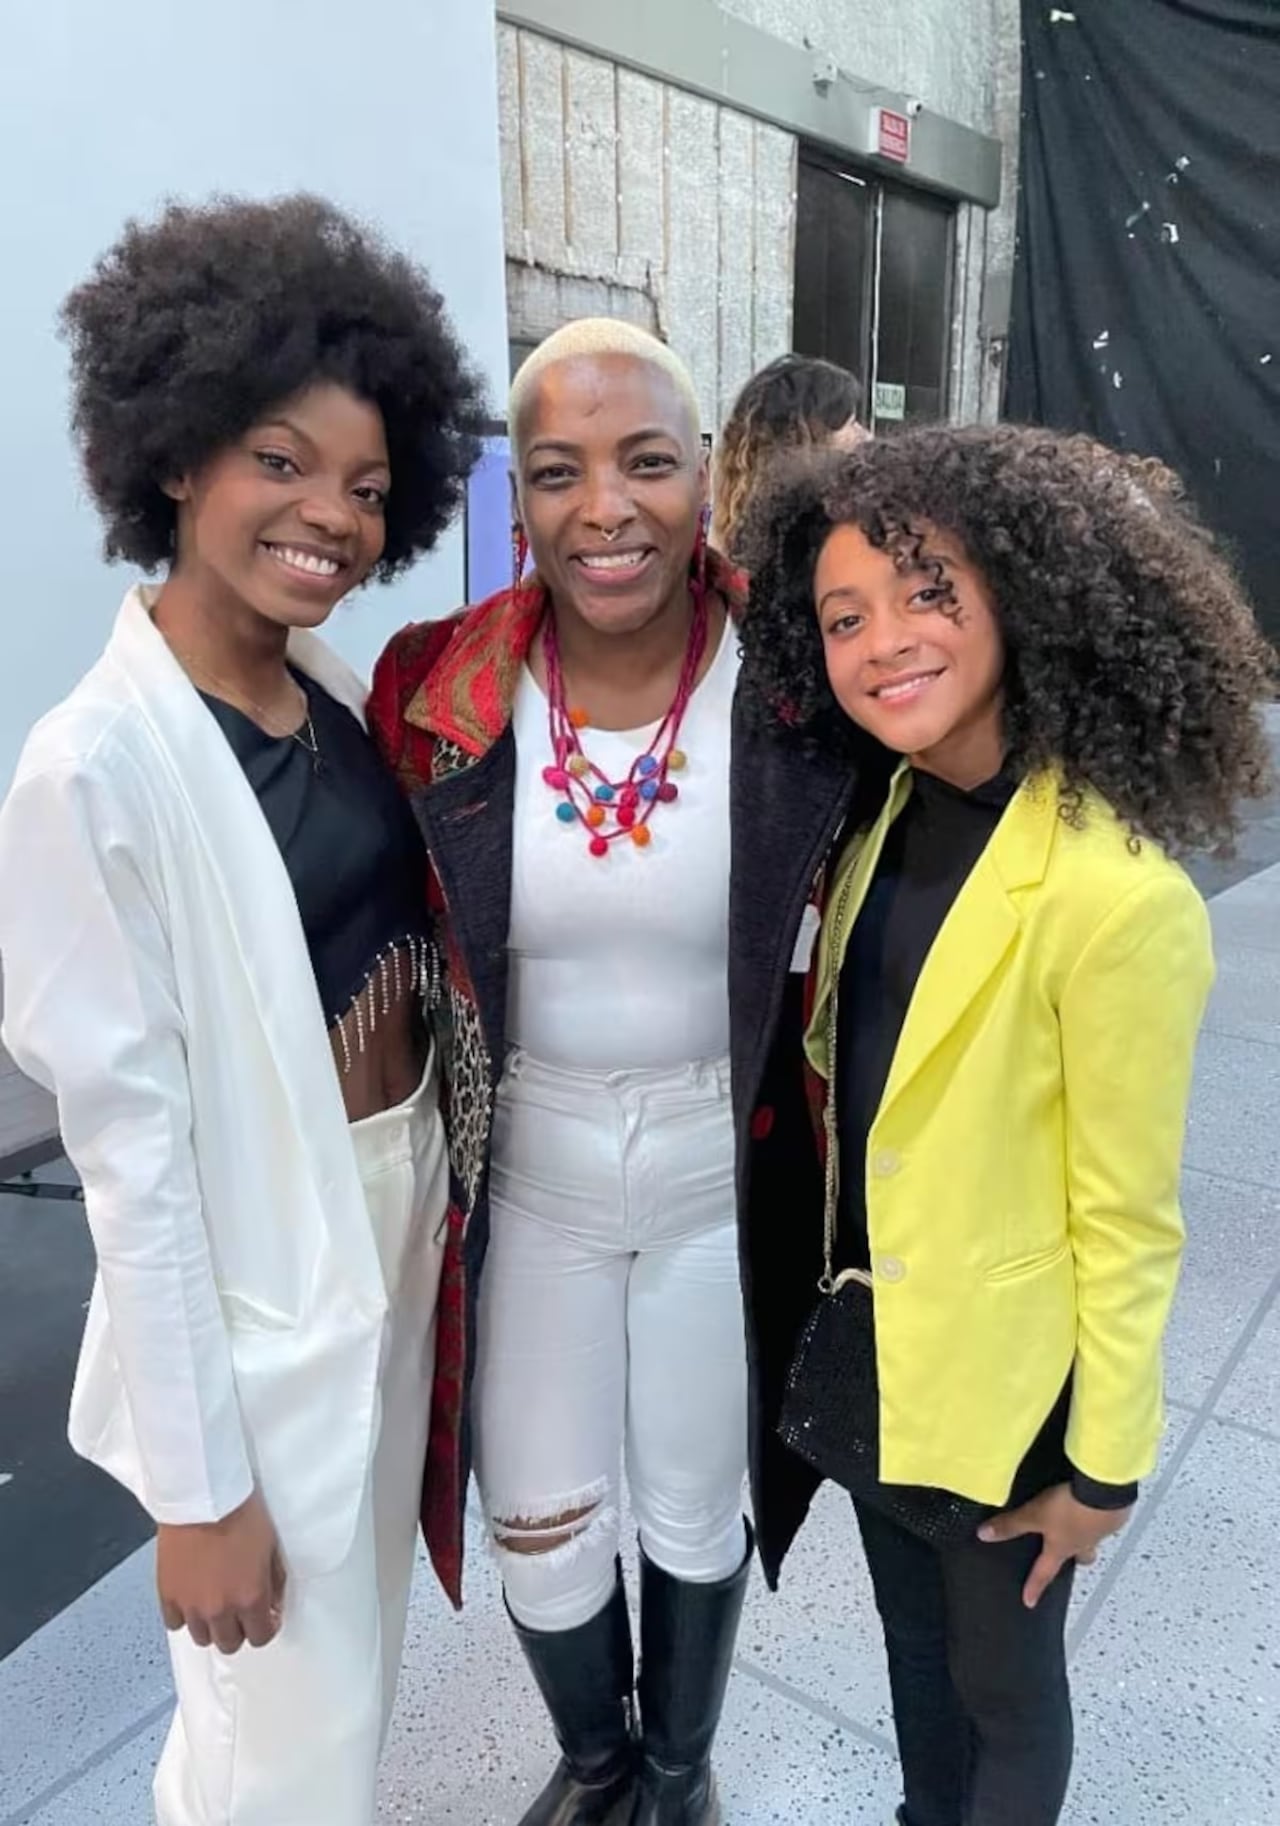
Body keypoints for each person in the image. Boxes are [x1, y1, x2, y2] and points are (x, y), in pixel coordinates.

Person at [0, 195, 486, 1826]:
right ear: (175, 454)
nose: (329, 515)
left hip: (392, 1229)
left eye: (366, 486)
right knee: (280, 1738)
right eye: (281, 460)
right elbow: (133, 1166)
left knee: (349, 1674)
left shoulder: (328, 691)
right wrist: (201, 1495)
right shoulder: (93, 769)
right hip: (268, 1272)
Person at [728, 425, 1275, 1826]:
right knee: (913, 1656)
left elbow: (1130, 1217)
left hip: (1014, 1394)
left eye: (928, 592)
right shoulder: (881, 818)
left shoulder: (1114, 895)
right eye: (843, 616)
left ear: (1020, 596)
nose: (883, 641)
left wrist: (1104, 1466)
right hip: (883, 1352)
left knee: (1004, 1693)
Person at [369, 318, 752, 1826]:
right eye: (556, 471)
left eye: (645, 462)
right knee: (534, 1514)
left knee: (696, 1500)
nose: (605, 508)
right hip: (529, 1162)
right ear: (515, 493)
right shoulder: (435, 686)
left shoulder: (798, 678)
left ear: (702, 472)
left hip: (724, 1158)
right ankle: (597, 1766)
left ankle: (678, 1772)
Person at [712, 352, 865, 562]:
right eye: (852, 424)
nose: (866, 435)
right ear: (810, 441)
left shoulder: (733, 551)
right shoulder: (828, 547)